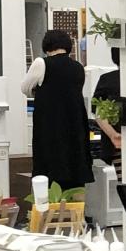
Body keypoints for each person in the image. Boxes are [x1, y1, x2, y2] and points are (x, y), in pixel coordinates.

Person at [22, 31, 92, 198]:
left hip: (50, 123)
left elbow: (25, 88)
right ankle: (75, 208)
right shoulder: (78, 67)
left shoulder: (41, 63)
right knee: (74, 163)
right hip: (74, 123)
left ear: (47, 46)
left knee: (49, 163)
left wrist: (39, 92)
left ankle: (48, 206)